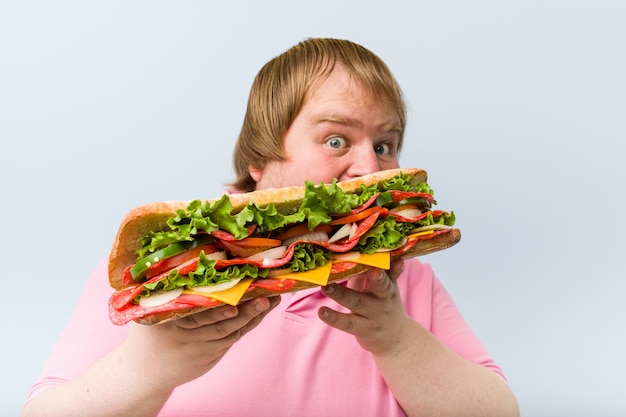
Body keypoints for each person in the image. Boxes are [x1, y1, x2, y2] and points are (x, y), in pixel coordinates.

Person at [22, 38, 519, 417]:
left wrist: (397, 339)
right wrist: (152, 364)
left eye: (385, 144)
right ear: (261, 158)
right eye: (336, 141)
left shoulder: (405, 282)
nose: (372, 168)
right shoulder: (158, 274)